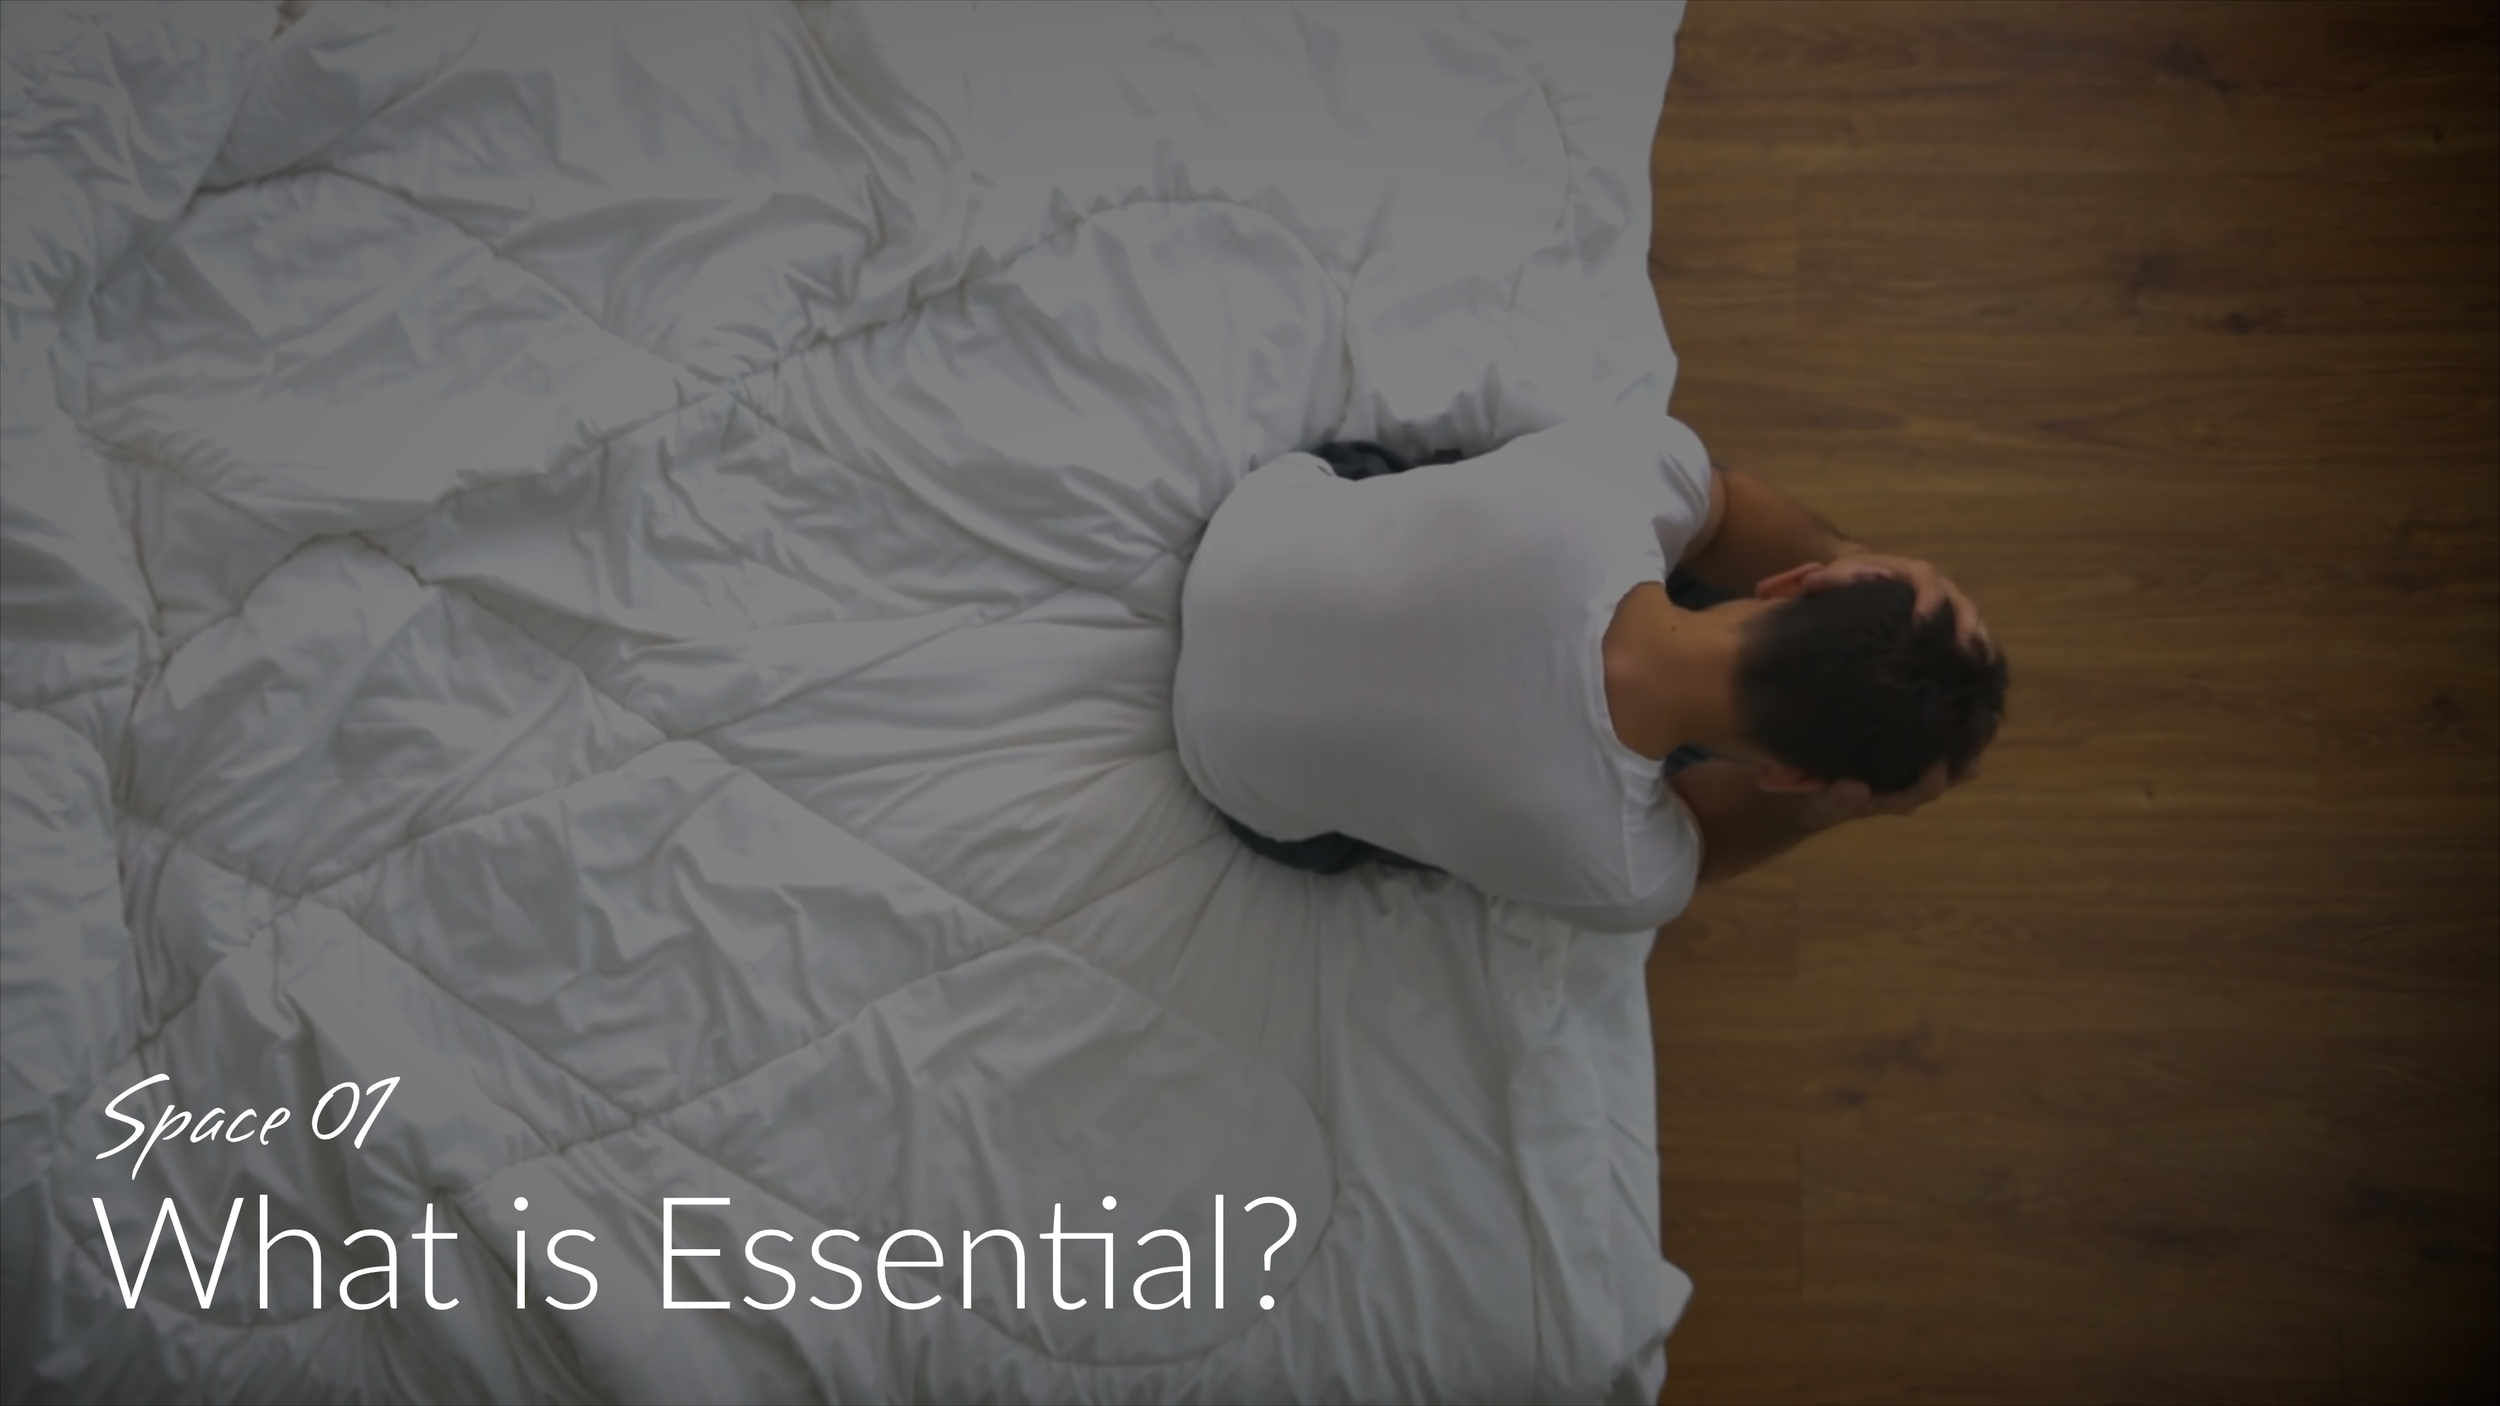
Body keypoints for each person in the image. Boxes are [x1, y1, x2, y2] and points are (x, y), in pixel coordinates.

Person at [1171, 404, 2009, 932]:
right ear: (1792, 778)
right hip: (1233, 772)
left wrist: (1853, 555)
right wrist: (1823, 812)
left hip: (1250, 537)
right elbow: (1705, 842)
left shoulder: (1635, 470)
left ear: (1796, 582)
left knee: (1635, 526)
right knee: (1603, 801)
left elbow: (1719, 508)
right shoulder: (1627, 879)